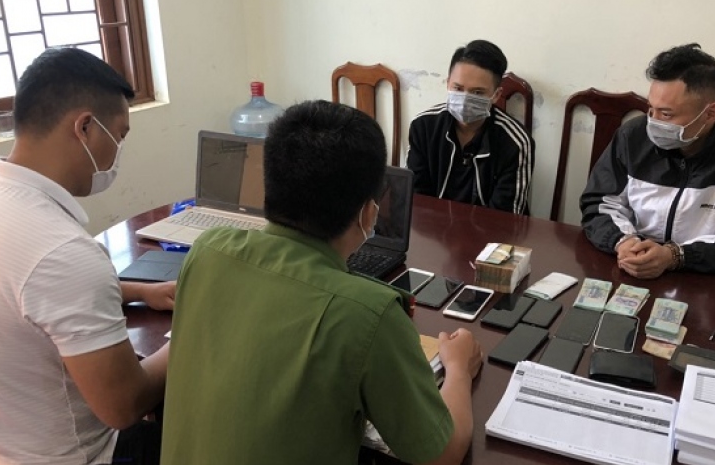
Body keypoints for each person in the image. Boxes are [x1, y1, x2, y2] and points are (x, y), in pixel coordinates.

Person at [160, 100, 483, 465]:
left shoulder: (207, 251)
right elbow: (443, 455)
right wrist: (458, 368)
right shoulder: (367, 313)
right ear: (368, 213)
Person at [0, 48, 174, 465]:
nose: (118, 150)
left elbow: (19, 293)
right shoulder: (64, 252)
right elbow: (124, 405)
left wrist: (139, 291)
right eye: (119, 135)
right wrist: (188, 336)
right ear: (84, 127)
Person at [580, 43, 715, 279]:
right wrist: (623, 242)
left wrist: (674, 256)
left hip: (709, 278)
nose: (653, 122)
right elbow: (598, 204)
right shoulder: (632, 137)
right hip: (631, 267)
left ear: (710, 113)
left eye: (666, 114)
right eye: (651, 109)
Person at [406, 39, 534, 215]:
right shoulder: (423, 127)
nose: (465, 99)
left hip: (490, 230)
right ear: (447, 83)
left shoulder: (515, 142)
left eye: (478, 92)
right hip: (433, 226)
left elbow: (506, 217)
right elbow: (416, 199)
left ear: (496, 95)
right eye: (458, 88)